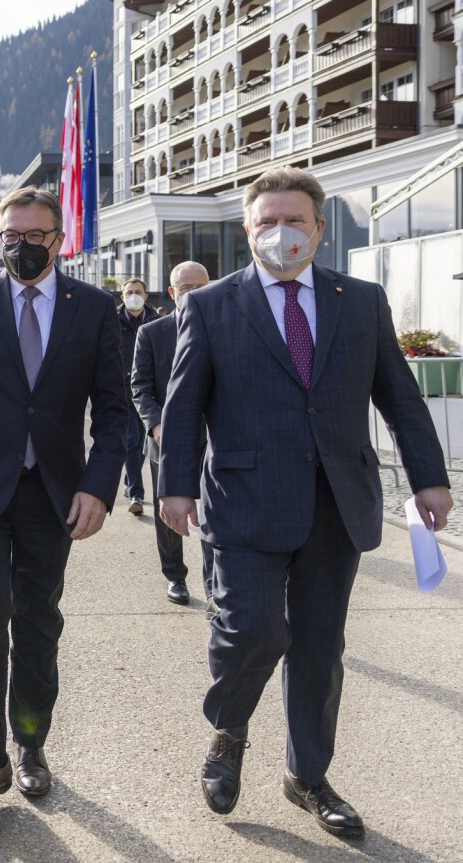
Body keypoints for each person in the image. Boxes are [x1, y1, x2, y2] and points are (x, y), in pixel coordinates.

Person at [159, 166, 452, 837]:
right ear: (248, 229)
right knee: (254, 628)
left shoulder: (362, 300)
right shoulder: (211, 307)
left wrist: (430, 477)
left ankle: (307, 774)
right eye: (267, 222)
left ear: (320, 229)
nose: (282, 234)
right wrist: (174, 485)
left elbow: (401, 398)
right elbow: (181, 410)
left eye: (296, 221)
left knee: (320, 649)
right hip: (244, 502)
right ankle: (229, 729)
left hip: (335, 504)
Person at [0, 186, 128, 818]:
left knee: (38, 622)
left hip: (54, 495)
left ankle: (30, 744)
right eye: (11, 235)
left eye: (35, 236)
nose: (22, 246)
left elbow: (114, 413)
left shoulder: (93, 308)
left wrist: (98, 486)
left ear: (57, 240)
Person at [131, 261, 212, 607]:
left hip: (213, 441)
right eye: (185, 289)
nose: (192, 295)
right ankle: (175, 576)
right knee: (169, 514)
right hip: (166, 440)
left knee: (215, 515)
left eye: (200, 288)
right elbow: (140, 387)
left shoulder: (223, 327)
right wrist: (156, 424)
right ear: (172, 292)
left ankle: (214, 587)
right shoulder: (151, 333)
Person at [118, 277, 160, 515]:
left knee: (148, 443)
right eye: (129, 292)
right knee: (132, 442)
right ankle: (136, 493)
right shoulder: (113, 321)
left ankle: (129, 482)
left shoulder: (157, 321)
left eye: (138, 292)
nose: (133, 295)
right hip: (123, 392)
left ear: (146, 296)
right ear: (122, 296)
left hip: (148, 393)